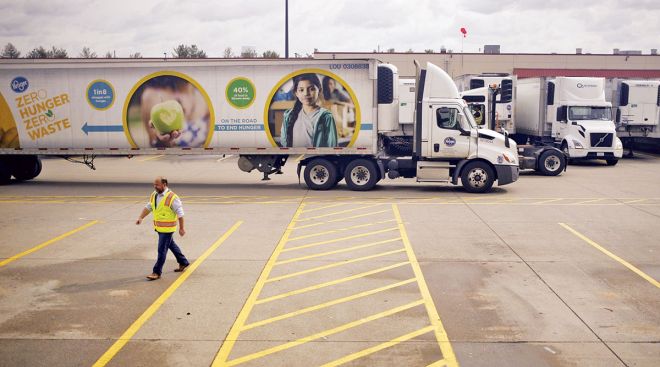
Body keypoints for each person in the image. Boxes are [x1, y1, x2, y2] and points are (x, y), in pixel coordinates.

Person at [136, 176, 189, 281]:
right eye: (154, 185)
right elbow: (149, 207)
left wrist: (181, 228)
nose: (155, 187)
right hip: (159, 228)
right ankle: (183, 262)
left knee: (161, 250)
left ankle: (156, 272)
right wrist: (141, 217)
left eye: (157, 185)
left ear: (164, 184)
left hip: (167, 230)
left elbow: (180, 214)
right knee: (171, 245)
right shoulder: (154, 195)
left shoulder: (173, 198)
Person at [280, 73, 338, 147]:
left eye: (311, 89)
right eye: (301, 90)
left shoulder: (326, 116)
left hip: (317, 158)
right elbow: (284, 144)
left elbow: (332, 147)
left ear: (319, 90)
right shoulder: (288, 115)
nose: (306, 93)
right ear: (296, 93)